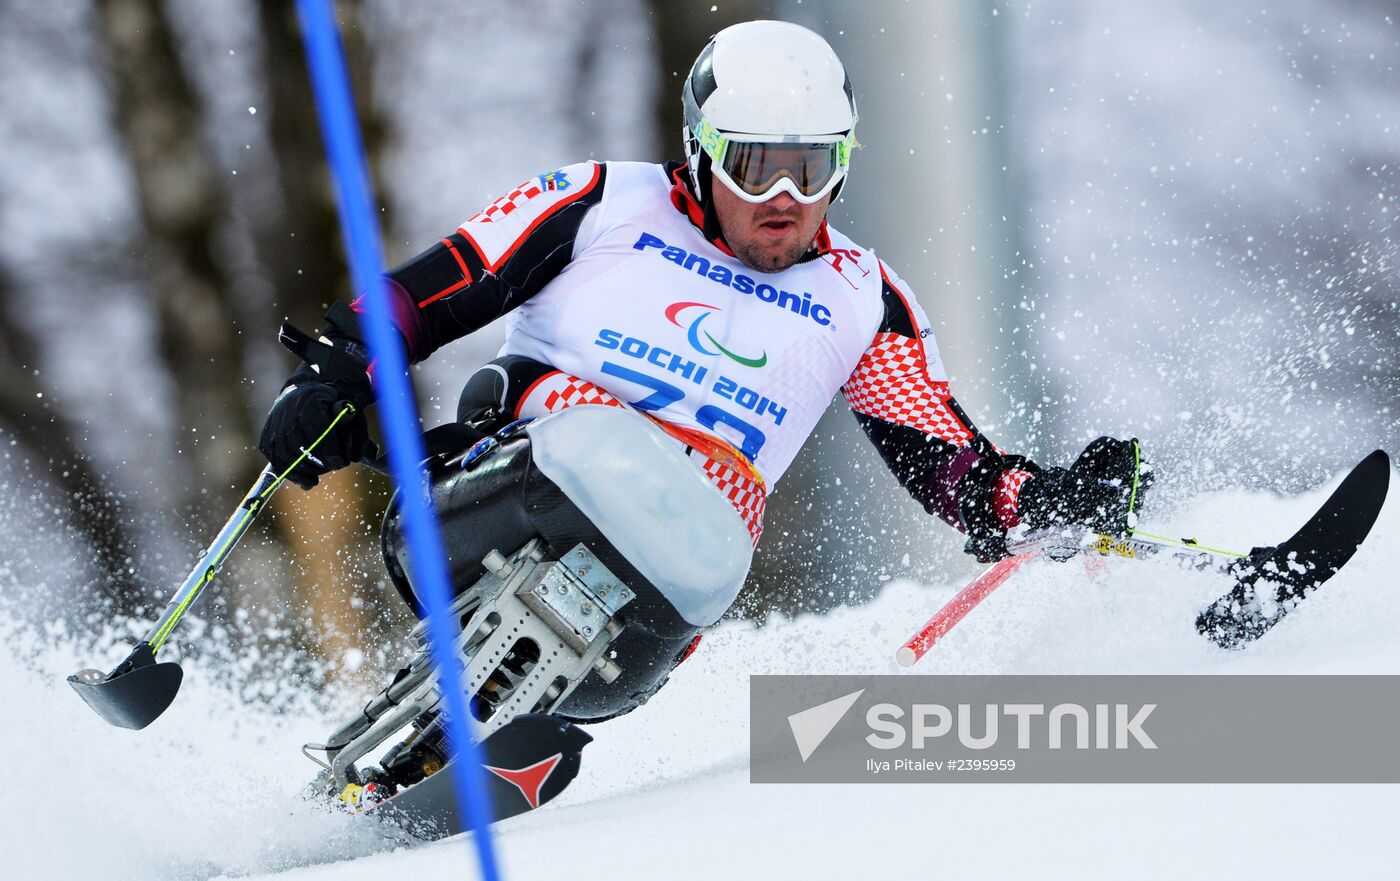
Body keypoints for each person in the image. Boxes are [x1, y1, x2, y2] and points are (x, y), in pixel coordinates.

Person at [262, 21, 1148, 631]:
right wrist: (340, 367)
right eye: (757, 169)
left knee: (702, 510)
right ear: (702, 151)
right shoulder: (607, 202)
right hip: (505, 492)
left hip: (677, 571)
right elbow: (441, 285)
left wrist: (1038, 502)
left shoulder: (864, 298)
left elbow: (942, 450)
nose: (785, 201)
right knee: (581, 430)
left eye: (813, 171)